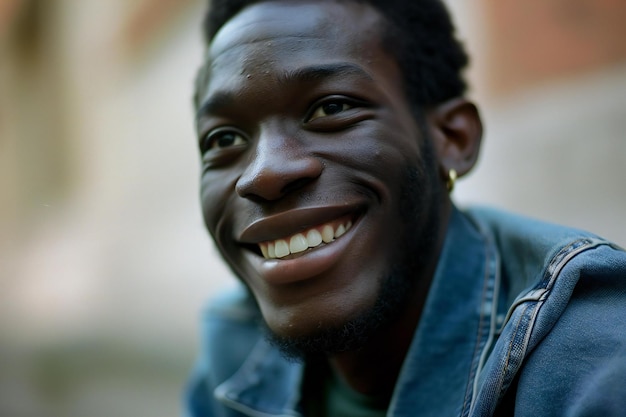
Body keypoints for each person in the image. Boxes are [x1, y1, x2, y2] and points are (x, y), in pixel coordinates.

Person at [185, 0, 626, 415]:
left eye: (331, 107)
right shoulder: (233, 345)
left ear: (451, 139)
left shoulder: (594, 361)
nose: (263, 174)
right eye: (224, 139)